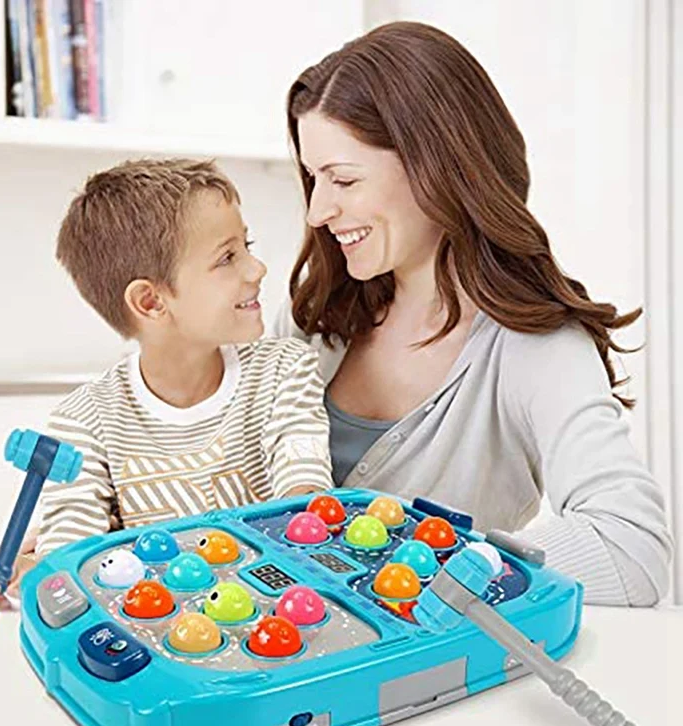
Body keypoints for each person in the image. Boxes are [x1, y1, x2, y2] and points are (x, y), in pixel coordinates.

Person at [272, 21, 672, 606]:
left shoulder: (534, 347)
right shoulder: (312, 318)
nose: (318, 210)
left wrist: (430, 564)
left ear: (436, 166)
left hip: (434, 663)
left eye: (344, 179)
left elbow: (633, 549)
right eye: (313, 178)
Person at [0, 158, 332, 616]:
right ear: (151, 301)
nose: (256, 268)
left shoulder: (285, 371)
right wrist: (27, 574)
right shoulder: (84, 421)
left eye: (246, 246)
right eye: (227, 257)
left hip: (283, 627)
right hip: (157, 642)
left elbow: (305, 494)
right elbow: (70, 554)